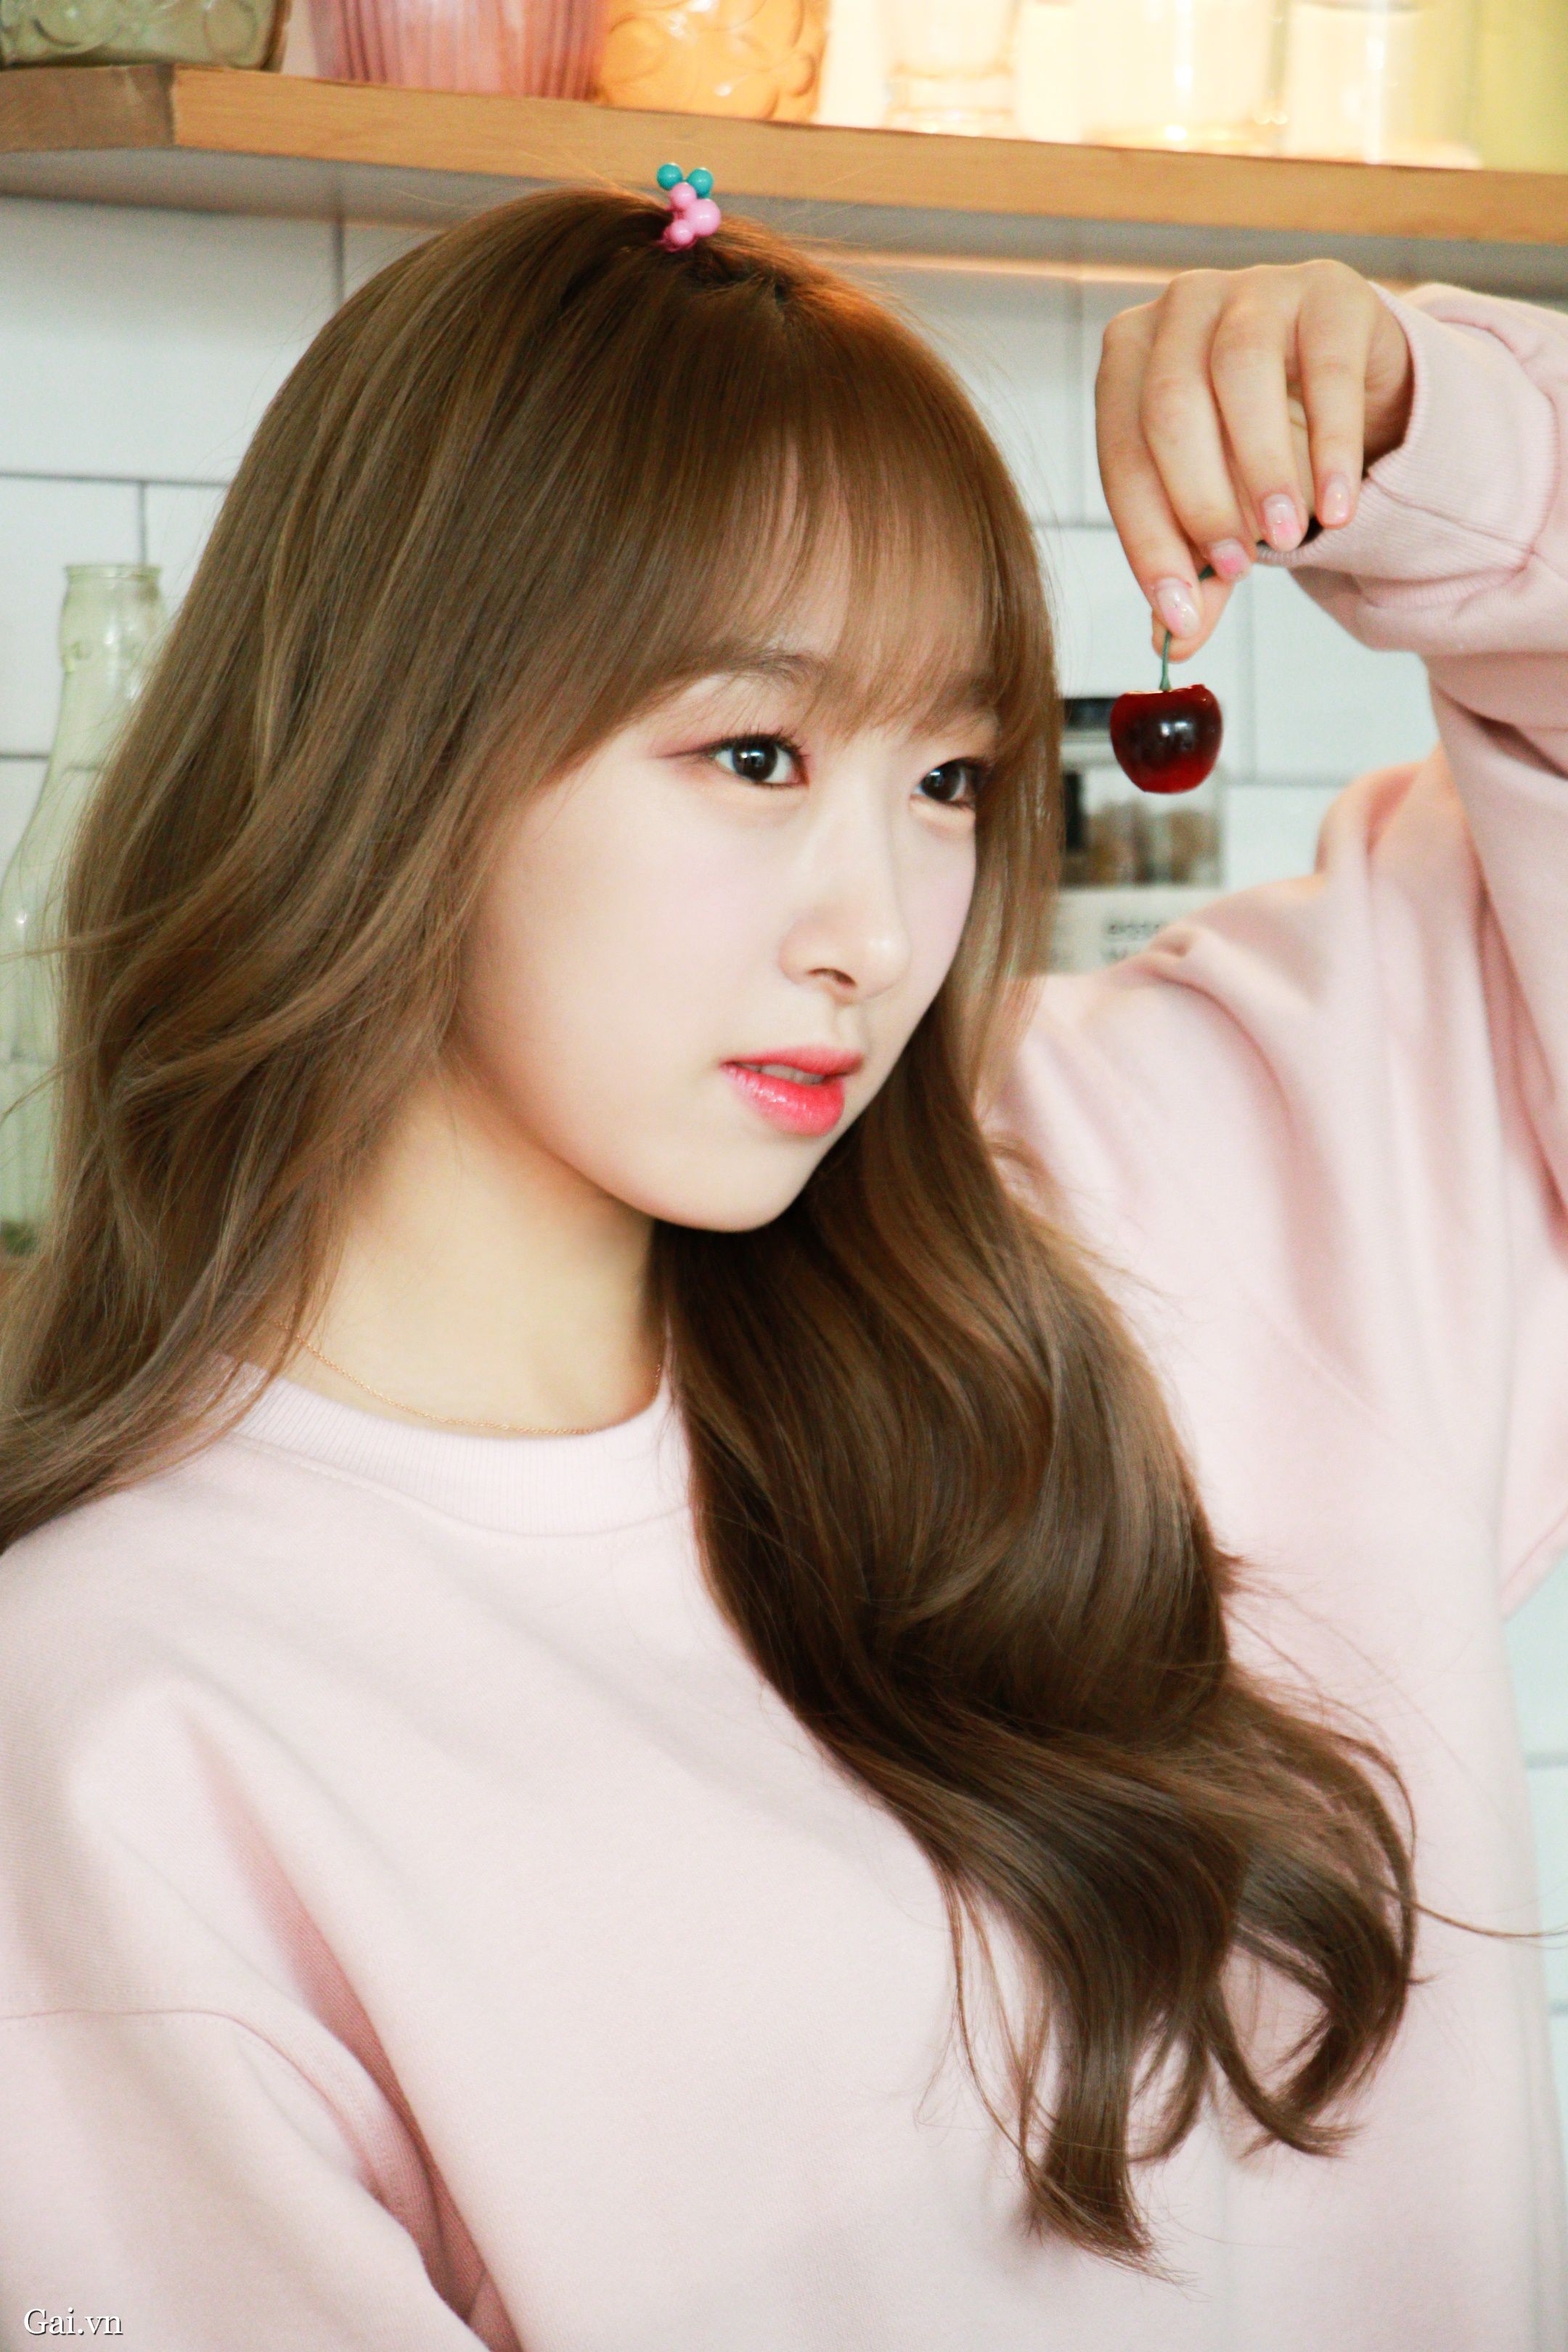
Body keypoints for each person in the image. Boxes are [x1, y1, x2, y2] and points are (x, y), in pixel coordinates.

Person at [0, 182, 1563, 2350]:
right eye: (755, 756)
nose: (878, 930)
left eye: (949, 780)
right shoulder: (123, 1725)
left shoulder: (1144, 1206)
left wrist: (1445, 433)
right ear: (396, 741)